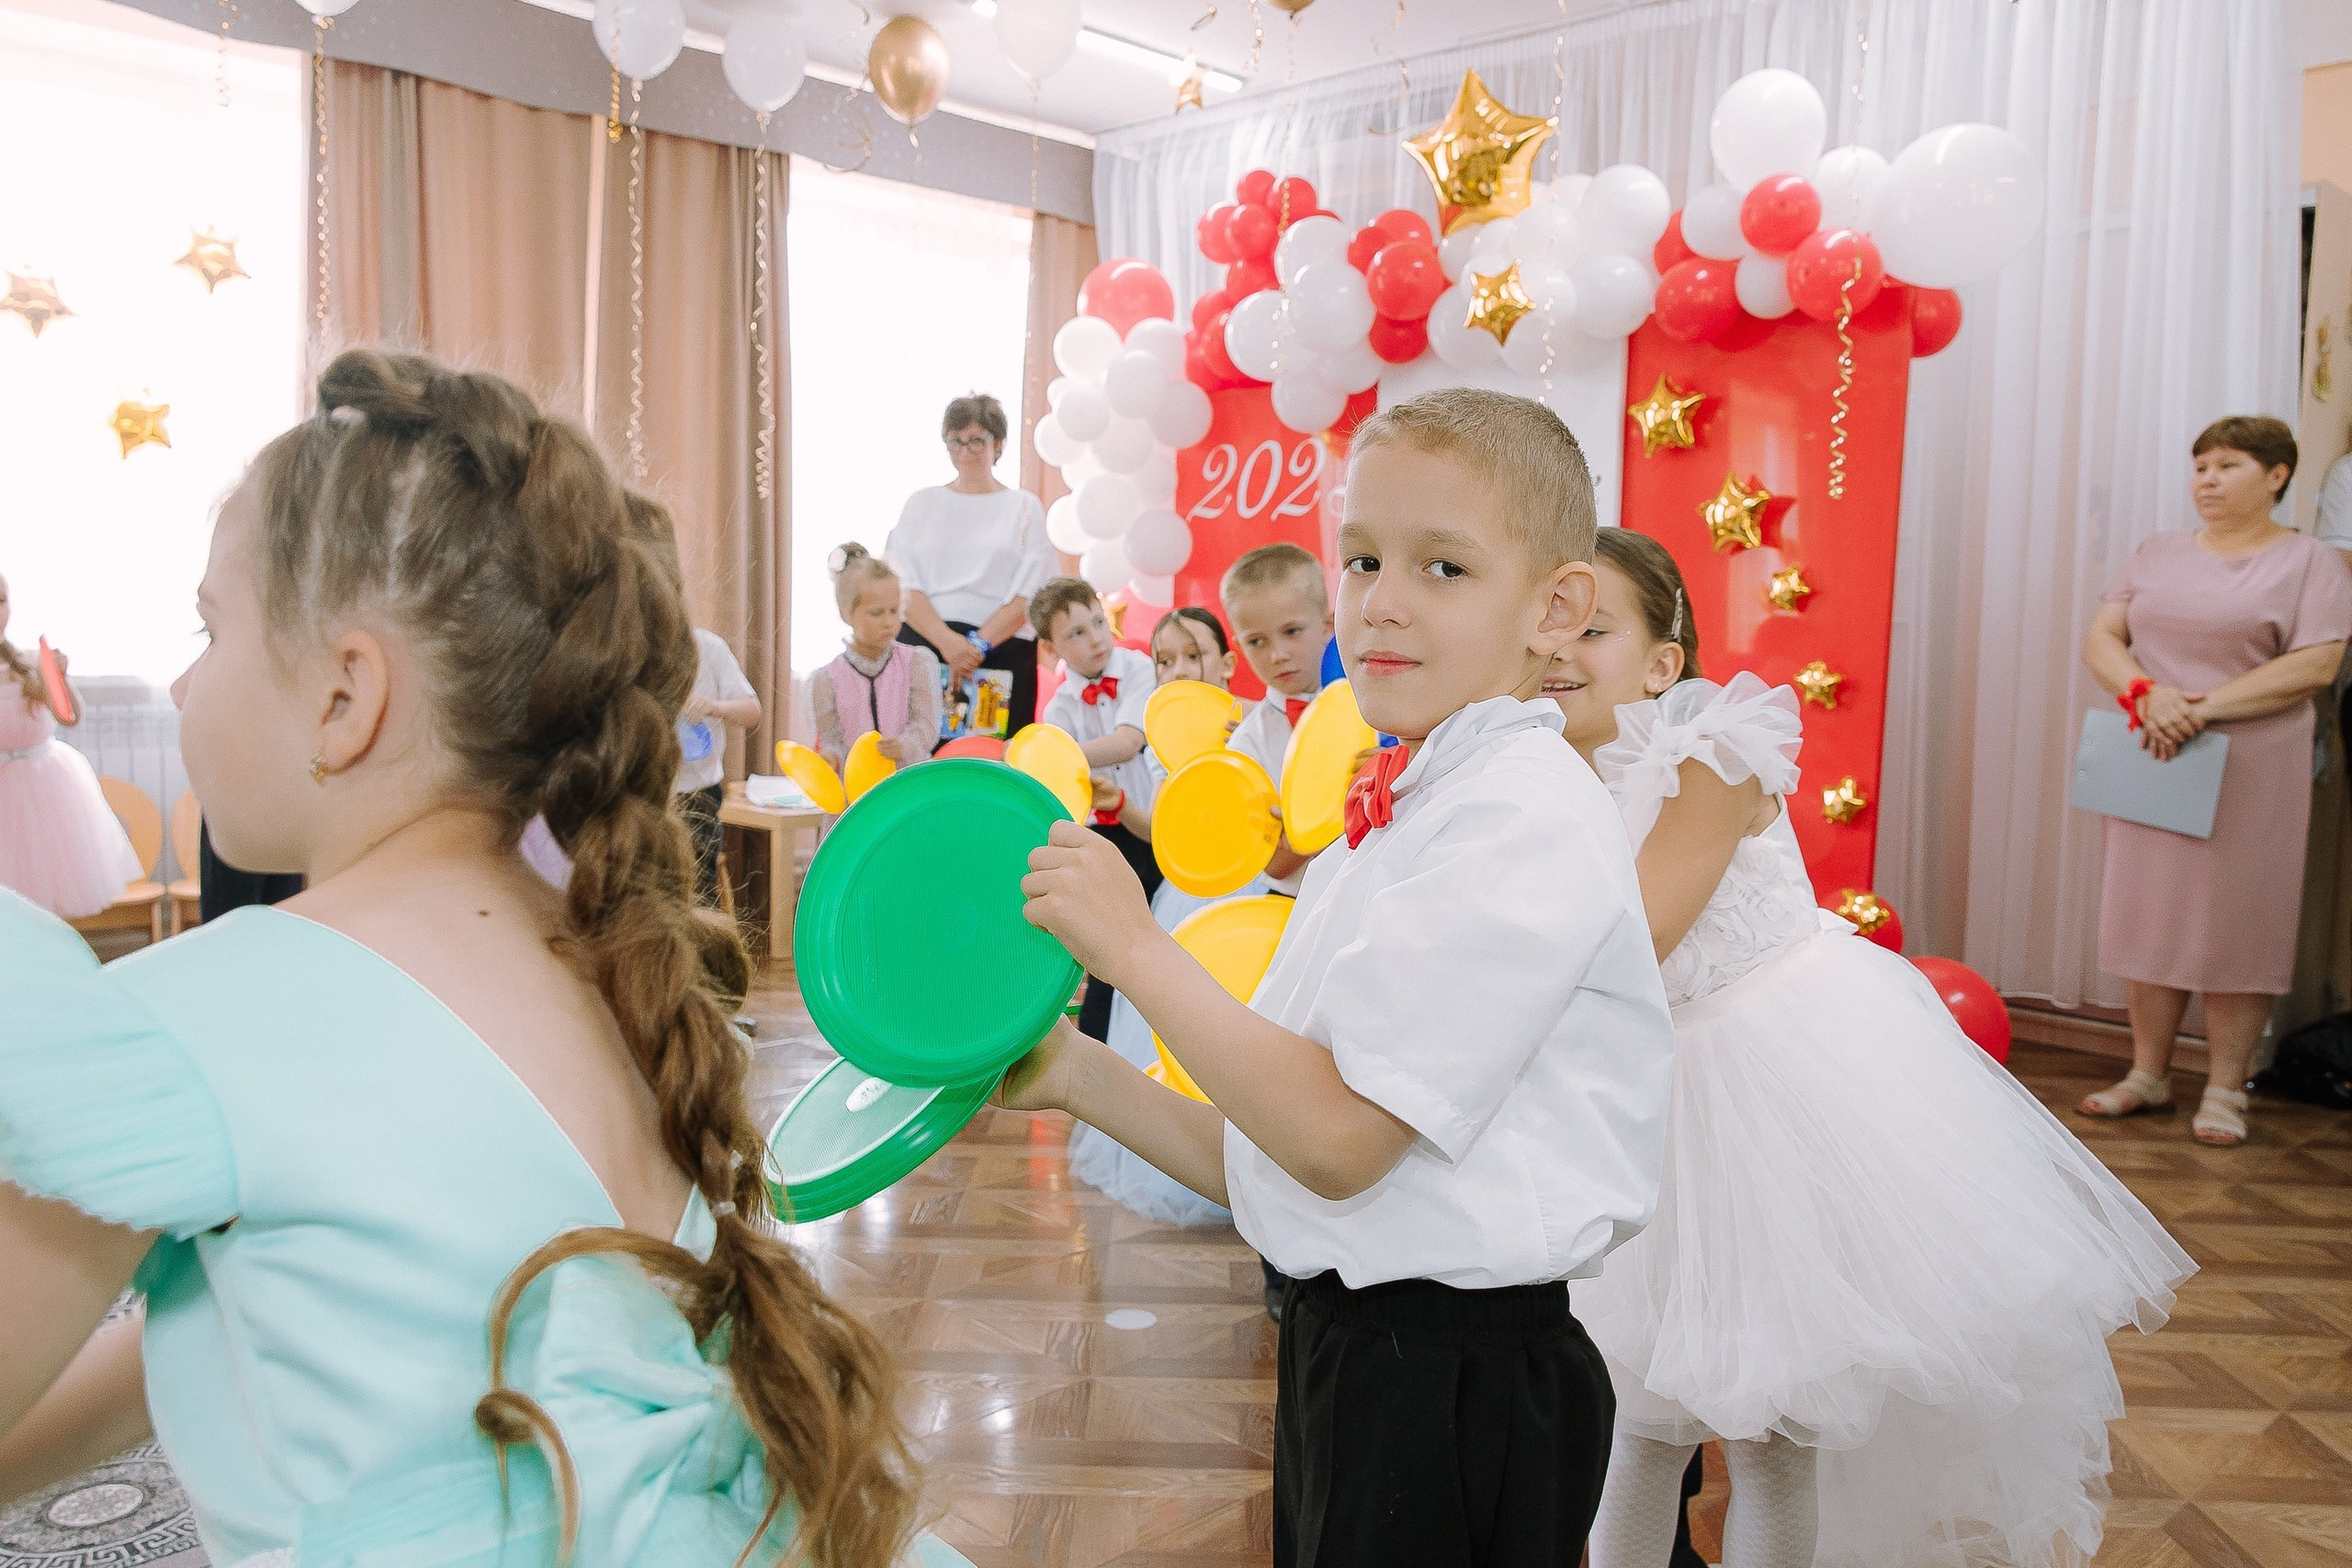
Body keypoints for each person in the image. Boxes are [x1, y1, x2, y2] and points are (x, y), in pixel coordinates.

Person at [0, 351, 967, 1568]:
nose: (186, 677)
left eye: (210, 627)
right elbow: (296, 1314)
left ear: (347, 693)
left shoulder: (190, 1020)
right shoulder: (616, 967)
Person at [999, 389, 1674, 1567]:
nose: (1381, 602)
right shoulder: (1408, 802)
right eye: (1361, 558)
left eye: (1445, 567)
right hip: (1355, 1351)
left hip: (1455, 1384)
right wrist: (1071, 1072)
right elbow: (1276, 1160)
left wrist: (1139, 951)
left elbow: (1337, 1141)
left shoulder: (1520, 818)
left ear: (1555, 609)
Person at [1546, 528, 2195, 1568]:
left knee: (1766, 1438)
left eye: (1594, 627)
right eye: (1546, 625)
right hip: (1652, 1107)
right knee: (1640, 1424)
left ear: (1661, 661)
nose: (1561, 650)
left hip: (1779, 1101)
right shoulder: (1549, 776)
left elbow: (1632, 940)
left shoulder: (1708, 753)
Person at [2077, 416, 2352, 1145]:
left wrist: (2199, 709)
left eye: (2228, 465)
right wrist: (2149, 697)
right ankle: (2148, 1074)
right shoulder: (2156, 552)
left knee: (2241, 919)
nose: (2207, 479)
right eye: (2199, 466)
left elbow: (2315, 665)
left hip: (2253, 761)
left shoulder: (2311, 562)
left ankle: (2228, 1087)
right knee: (2149, 910)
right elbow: (2104, 638)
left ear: (2277, 476)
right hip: (2155, 752)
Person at [1070, 607, 1254, 1230]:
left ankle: (1262, 1156)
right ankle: (1192, 1160)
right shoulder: (1161, 739)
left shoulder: (1250, 723)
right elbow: (1166, 829)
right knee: (1176, 1018)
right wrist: (1120, 805)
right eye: (1164, 660)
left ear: (1227, 664)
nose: (1177, 670)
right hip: (1186, 893)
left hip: (1251, 888)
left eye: (1192, 655)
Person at [1034, 577, 1162, 1044]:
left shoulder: (1139, 667)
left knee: (1155, 939)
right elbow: (1060, 787)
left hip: (1151, 823)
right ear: (1051, 649)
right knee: (1106, 949)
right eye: (1077, 634)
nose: (1095, 640)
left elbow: (1130, 742)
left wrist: (1057, 756)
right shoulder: (1060, 707)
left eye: (1097, 624)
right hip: (1100, 834)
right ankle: (1100, 1054)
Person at [887, 393, 1056, 740]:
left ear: (999, 443)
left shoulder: (1023, 507)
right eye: (955, 441)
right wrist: (948, 643)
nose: (965, 451)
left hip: (1001, 649)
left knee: (992, 764)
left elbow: (1030, 593)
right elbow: (903, 586)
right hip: (925, 646)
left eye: (976, 440)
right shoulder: (921, 503)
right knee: (920, 758)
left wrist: (975, 647)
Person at [0, 573, 141, 919]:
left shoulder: (30, 661)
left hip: (43, 789)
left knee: (44, 897)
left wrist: (58, 676)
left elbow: (70, 716)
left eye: (1, 600)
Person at [1220, 544, 1335, 898]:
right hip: (1298, 905)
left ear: (1329, 624)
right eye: (1257, 641)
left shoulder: (1378, 707)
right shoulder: (1247, 745)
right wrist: (1337, 809)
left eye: (1292, 631)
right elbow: (1272, 863)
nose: (1277, 654)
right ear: (1239, 645)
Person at [810, 544, 941, 774]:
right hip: (858, 793)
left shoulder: (917, 663)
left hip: (908, 784)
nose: (888, 622)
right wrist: (830, 759)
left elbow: (927, 729)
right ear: (845, 613)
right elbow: (833, 741)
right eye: (876, 613)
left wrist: (902, 746)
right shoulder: (827, 679)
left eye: (894, 611)